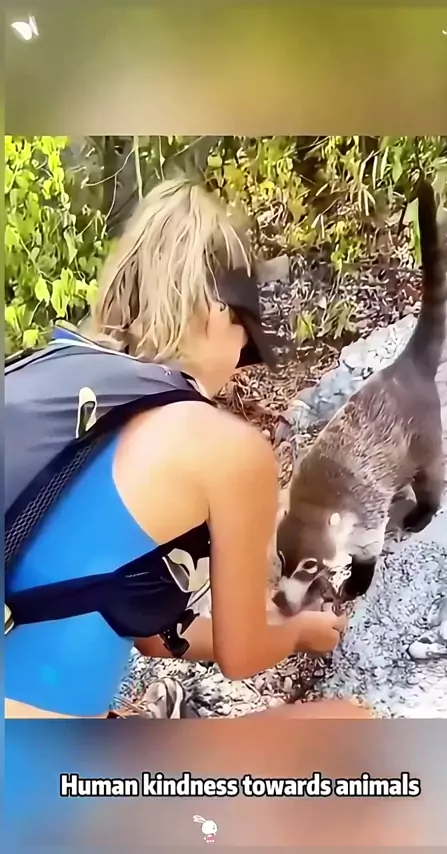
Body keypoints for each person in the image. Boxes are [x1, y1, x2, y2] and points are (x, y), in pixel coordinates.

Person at [5, 176, 360, 721]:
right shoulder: (225, 448)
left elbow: (155, 635)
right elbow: (243, 655)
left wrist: (301, 629)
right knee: (345, 724)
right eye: (246, 333)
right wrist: (293, 633)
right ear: (214, 309)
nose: (241, 358)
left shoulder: (54, 391)